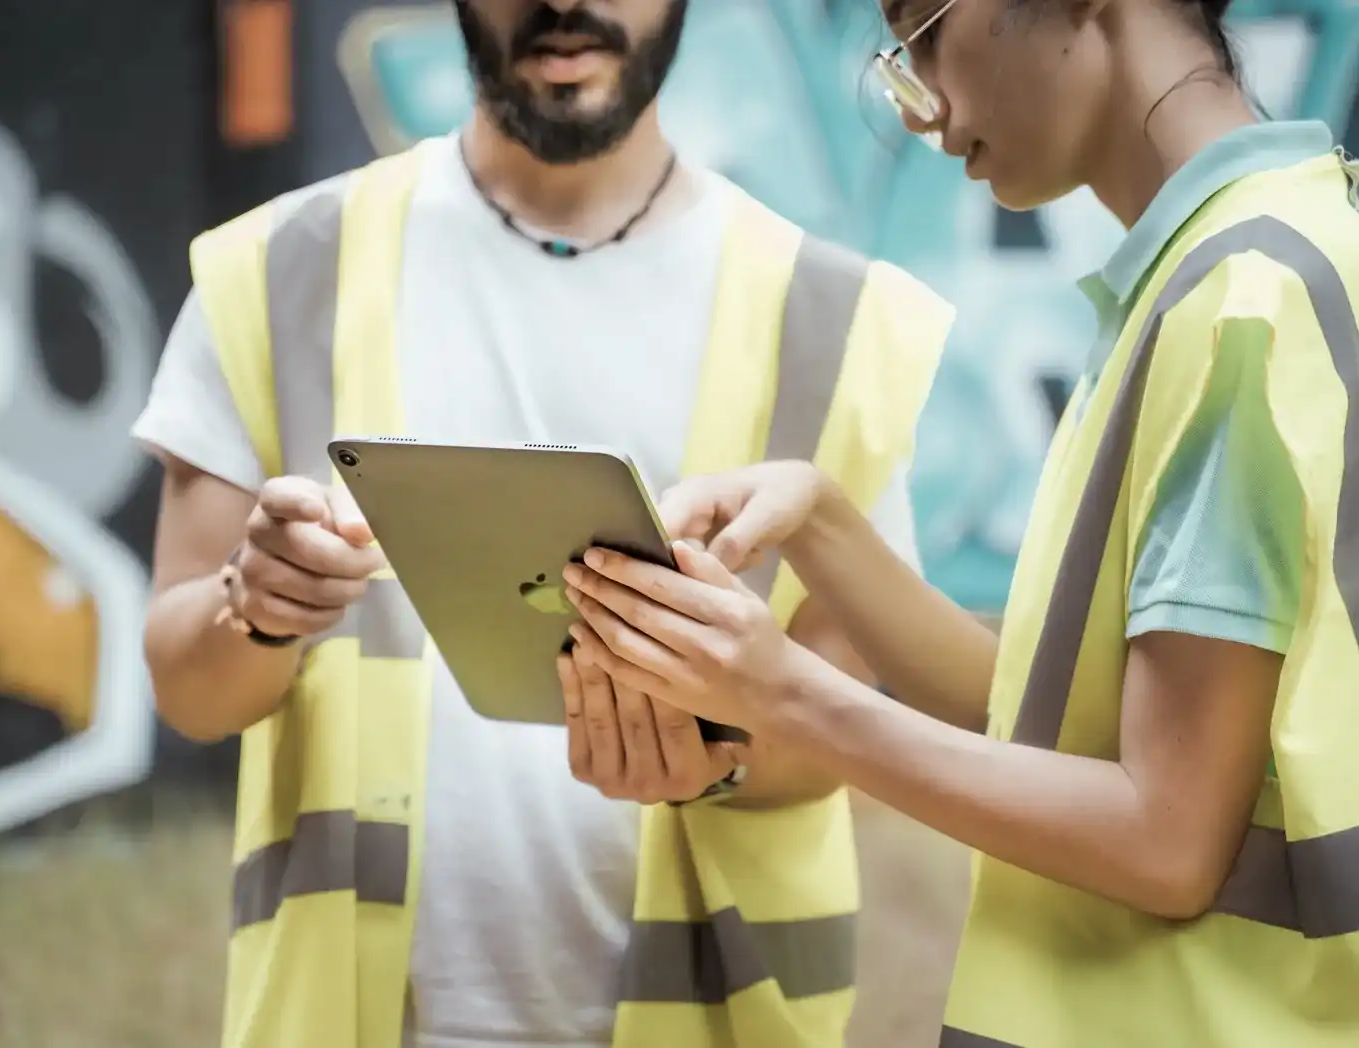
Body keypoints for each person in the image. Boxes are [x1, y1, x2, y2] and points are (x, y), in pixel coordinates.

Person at [133, 2, 961, 1047]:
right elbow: (186, 686)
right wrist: (251, 608)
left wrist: (719, 757)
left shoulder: (835, 321)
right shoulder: (276, 268)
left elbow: (843, 725)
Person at [555, 0, 1359, 1045]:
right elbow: (1048, 727)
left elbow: (1165, 838)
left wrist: (784, 693)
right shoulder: (1224, 265)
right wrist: (822, 523)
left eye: (925, 30)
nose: (923, 106)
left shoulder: (1240, 301)